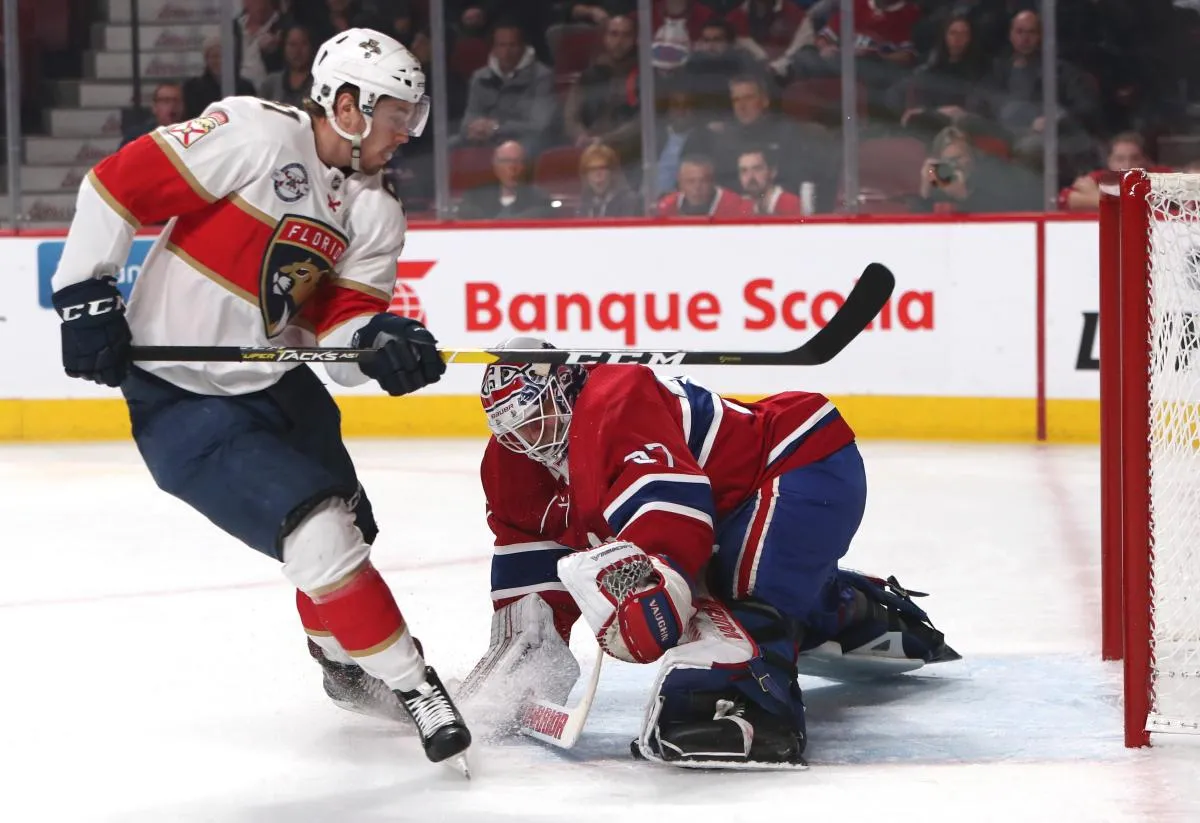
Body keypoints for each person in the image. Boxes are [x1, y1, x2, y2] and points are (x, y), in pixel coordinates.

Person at [47, 28, 471, 770]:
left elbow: (337, 335)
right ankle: (417, 684)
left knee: (350, 536)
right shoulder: (251, 133)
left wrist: (379, 342)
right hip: (182, 401)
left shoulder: (375, 210)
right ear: (347, 103)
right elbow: (116, 185)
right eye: (398, 112)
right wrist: (85, 293)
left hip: (278, 386)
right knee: (319, 539)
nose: (409, 129)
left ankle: (339, 657)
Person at [458, 337, 959, 768]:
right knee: (749, 587)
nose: (525, 441)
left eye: (534, 421)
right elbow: (530, 580)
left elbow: (674, 515)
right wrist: (523, 661)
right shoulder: (511, 465)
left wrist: (650, 590)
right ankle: (857, 611)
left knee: (729, 608)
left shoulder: (617, 400)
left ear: (565, 388)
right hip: (730, 508)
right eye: (510, 429)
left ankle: (741, 707)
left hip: (798, 465)